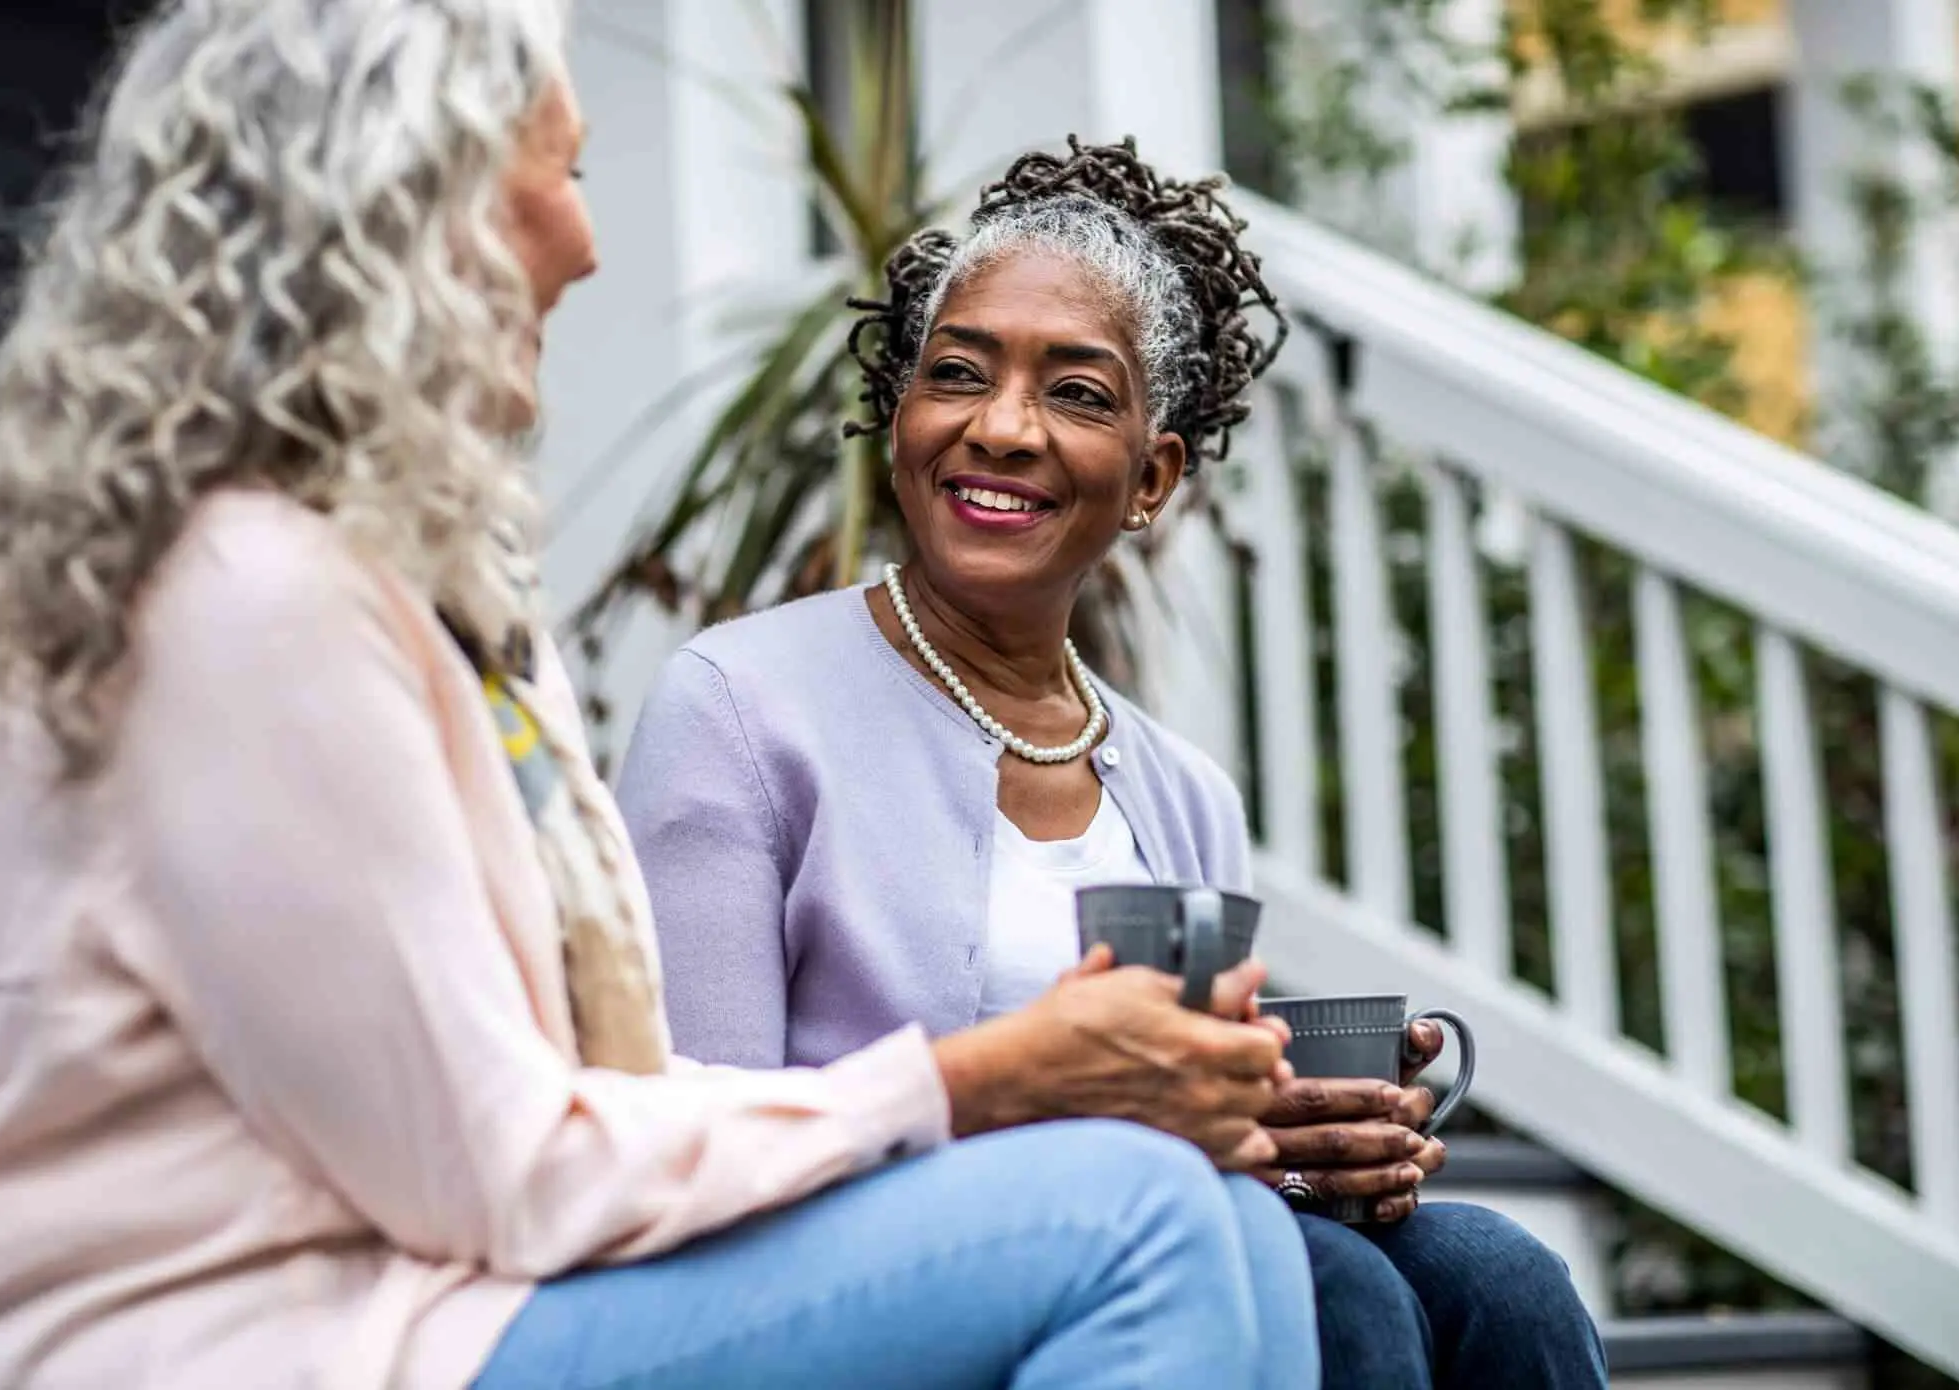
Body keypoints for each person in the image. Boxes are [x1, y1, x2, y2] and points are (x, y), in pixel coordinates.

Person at [0, 5, 1324, 1388]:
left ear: (1157, 475)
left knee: (1244, 1225)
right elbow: (497, 1172)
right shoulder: (246, 600)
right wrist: (983, 1079)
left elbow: (561, 1111)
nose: (583, 240)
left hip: (428, 1299)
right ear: (408, 203)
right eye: (558, 174)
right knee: (1134, 1221)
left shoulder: (406, 588)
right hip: (237, 1339)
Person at [617, 138, 1611, 1390]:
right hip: (846, 1283)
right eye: (956, 374)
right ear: (899, 419)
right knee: (1333, 1284)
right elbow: (686, 1134)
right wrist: (1099, 1121)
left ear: (1152, 476)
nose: (1001, 428)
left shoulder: (1179, 791)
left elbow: (1196, 1141)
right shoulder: (738, 707)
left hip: (1154, 1243)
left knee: (1492, 1272)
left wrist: (1300, 1139)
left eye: (1077, 393)